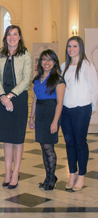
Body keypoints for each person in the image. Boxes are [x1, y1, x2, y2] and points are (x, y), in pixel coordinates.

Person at [0, 25, 32, 189]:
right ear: (5, 37)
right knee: (6, 138)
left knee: (17, 138)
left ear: (20, 37)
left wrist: (10, 96)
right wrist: (2, 96)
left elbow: (26, 79)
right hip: (2, 100)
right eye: (9, 34)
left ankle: (16, 172)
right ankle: (7, 171)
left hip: (19, 99)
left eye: (15, 34)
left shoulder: (25, 54)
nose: (12, 37)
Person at [60, 36, 98, 191]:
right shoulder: (64, 66)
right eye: (69, 46)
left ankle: (81, 175)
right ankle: (72, 174)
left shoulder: (87, 66)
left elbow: (94, 88)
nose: (71, 49)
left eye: (75, 46)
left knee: (80, 143)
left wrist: (91, 108)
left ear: (80, 48)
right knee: (69, 143)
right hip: (66, 110)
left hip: (82, 109)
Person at [29, 49, 65, 190]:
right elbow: (35, 99)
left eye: (50, 60)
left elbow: (60, 103)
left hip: (51, 114)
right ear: (40, 62)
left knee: (49, 148)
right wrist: (31, 117)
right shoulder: (37, 79)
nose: (47, 62)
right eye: (44, 59)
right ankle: (48, 176)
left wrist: (55, 121)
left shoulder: (58, 80)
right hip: (40, 114)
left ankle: (51, 178)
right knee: (43, 147)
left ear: (55, 62)